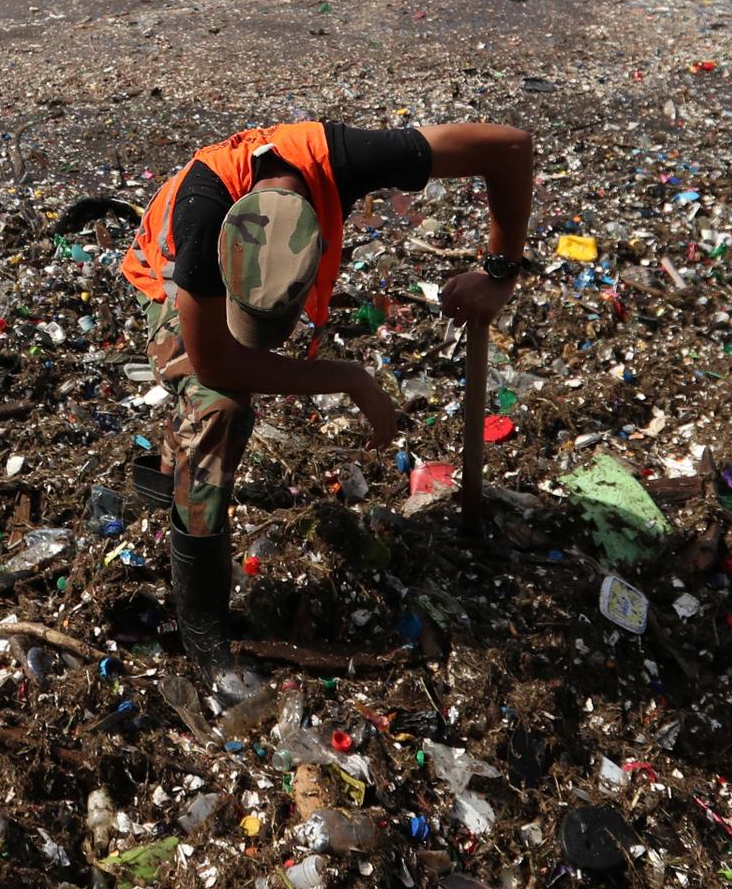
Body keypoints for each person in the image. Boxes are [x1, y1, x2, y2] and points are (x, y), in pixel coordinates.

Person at [122, 120, 534, 701]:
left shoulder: (345, 158)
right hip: (166, 273)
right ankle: (202, 629)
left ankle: (169, 471)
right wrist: (345, 378)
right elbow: (217, 362)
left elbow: (510, 147)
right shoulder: (201, 227)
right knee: (218, 409)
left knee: (222, 392)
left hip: (231, 259)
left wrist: (499, 271)